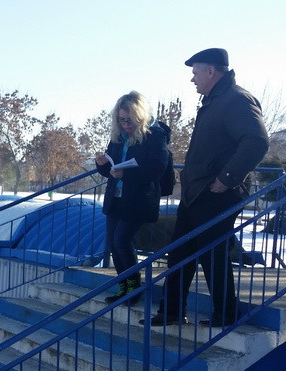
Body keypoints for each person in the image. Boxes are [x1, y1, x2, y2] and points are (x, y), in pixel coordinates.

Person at [147, 48, 269, 327]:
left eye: (195, 72)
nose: (192, 79)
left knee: (212, 254)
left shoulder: (236, 99)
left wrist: (227, 178)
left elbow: (257, 141)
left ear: (211, 71)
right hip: (197, 193)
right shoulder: (215, 100)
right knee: (180, 252)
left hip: (217, 193)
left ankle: (225, 314)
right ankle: (172, 312)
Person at [94, 92, 171, 304]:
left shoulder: (155, 136)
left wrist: (126, 174)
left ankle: (135, 288)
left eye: (130, 120)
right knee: (112, 244)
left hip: (139, 199)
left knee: (122, 241)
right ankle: (124, 288)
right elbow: (112, 170)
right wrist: (102, 165)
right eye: (121, 120)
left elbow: (157, 169)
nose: (126, 124)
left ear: (140, 116)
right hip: (116, 197)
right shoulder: (118, 136)